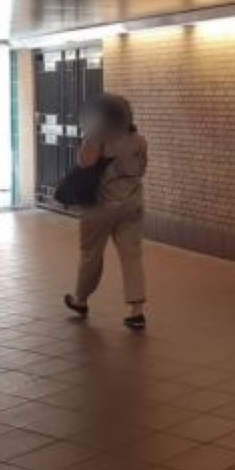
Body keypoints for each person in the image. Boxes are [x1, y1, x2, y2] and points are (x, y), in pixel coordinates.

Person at [63, 94, 149, 330]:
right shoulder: (139, 140)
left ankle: (81, 300)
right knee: (132, 256)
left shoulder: (99, 138)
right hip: (132, 203)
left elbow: (84, 162)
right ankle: (137, 311)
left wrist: (92, 134)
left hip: (100, 206)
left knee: (91, 254)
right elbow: (141, 169)